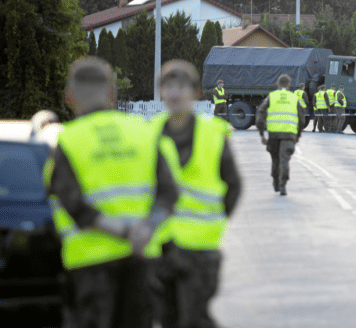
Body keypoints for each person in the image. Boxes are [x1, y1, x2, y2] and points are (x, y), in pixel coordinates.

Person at [45, 56, 179, 328]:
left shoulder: (67, 142)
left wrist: (121, 231)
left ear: (69, 98)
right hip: (142, 261)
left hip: (89, 266)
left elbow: (74, 205)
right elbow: (169, 192)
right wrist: (144, 230)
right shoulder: (144, 133)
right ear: (111, 95)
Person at [151, 60, 242, 328]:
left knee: (193, 319)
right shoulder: (150, 132)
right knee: (166, 319)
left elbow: (234, 185)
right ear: (161, 93)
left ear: (195, 93)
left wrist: (216, 221)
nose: (174, 93)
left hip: (201, 251)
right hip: (161, 247)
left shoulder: (214, 133)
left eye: (181, 86)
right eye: (168, 86)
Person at [256, 74, 305, 195]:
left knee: (275, 159)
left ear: (277, 84)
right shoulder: (294, 98)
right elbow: (302, 119)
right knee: (284, 159)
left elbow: (261, 114)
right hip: (289, 135)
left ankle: (276, 183)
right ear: (289, 85)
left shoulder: (271, 97)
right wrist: (298, 135)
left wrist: (262, 134)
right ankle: (283, 184)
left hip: (274, 135)